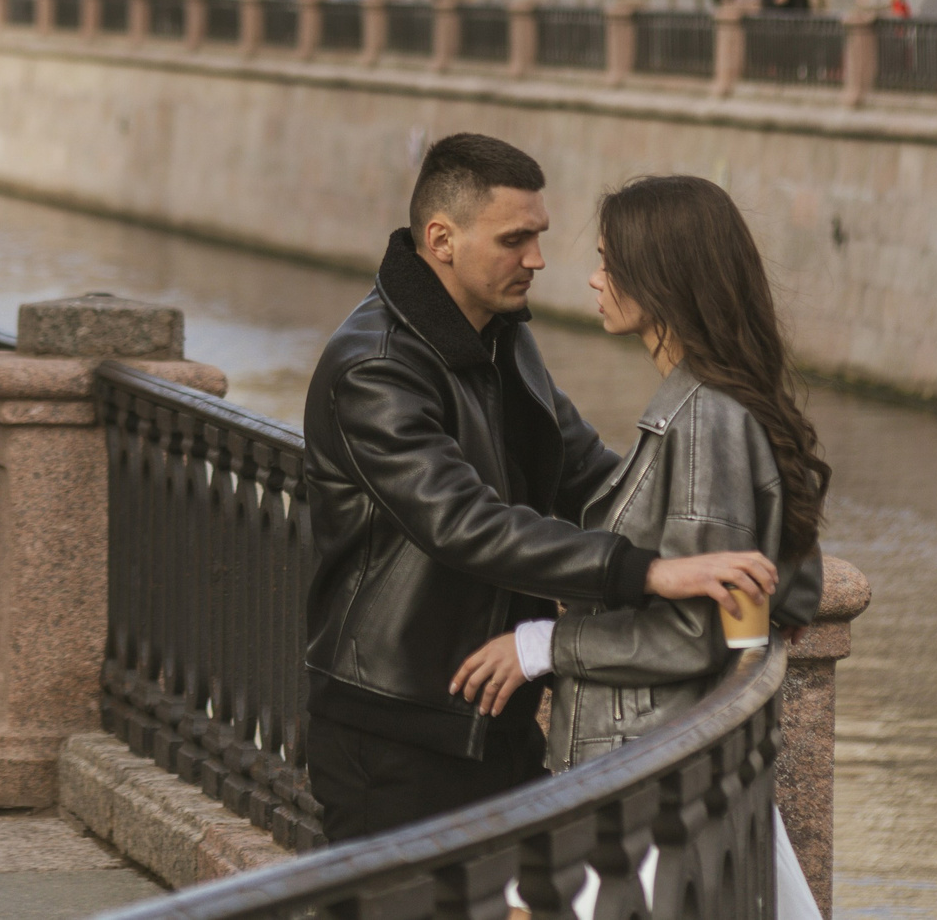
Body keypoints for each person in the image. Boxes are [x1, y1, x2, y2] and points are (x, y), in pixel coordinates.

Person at [302, 135, 779, 843]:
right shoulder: (373, 367)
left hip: (496, 706)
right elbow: (465, 522)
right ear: (441, 240)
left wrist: (703, 525)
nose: (537, 259)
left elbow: (584, 470)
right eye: (514, 240)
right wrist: (646, 570)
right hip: (400, 723)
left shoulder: (502, 336)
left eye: (539, 236)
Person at [448, 174, 829, 909]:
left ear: (662, 278)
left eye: (608, 262)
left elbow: (694, 632)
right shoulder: (708, 405)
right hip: (662, 768)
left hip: (646, 774)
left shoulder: (703, 418)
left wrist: (541, 646)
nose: (594, 279)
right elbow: (791, 584)